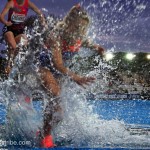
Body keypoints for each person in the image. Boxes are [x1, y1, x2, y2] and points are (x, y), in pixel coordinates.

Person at [37, 4, 105, 148]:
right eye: (76, 28)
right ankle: (45, 137)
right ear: (68, 24)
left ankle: (43, 131)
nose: (78, 33)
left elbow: (87, 42)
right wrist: (76, 78)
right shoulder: (55, 36)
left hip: (59, 73)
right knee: (55, 95)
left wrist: (97, 47)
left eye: (82, 30)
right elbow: (58, 65)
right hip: (44, 68)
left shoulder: (79, 37)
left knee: (59, 111)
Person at [0, 0, 46, 74]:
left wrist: (43, 23)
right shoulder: (11, 3)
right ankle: (9, 64)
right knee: (13, 46)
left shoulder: (28, 3)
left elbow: (39, 12)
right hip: (9, 30)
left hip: (19, 31)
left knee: (24, 42)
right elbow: (1, 16)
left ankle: (14, 63)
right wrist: (6, 22)